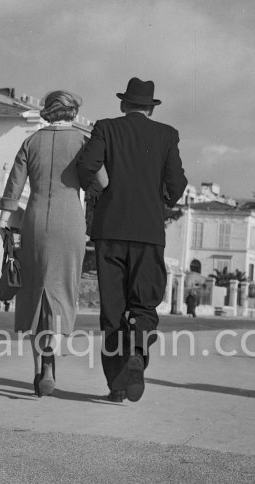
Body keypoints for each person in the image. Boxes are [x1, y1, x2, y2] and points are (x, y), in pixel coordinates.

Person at [77, 77, 188, 403]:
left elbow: (88, 165)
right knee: (144, 303)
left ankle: (116, 384)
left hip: (109, 231)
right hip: (149, 234)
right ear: (150, 109)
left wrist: (101, 188)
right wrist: (160, 201)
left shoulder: (105, 128)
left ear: (124, 104)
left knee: (112, 311)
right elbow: (177, 184)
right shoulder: (167, 135)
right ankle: (138, 350)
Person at [0, 90, 92, 398]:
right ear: (73, 112)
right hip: (71, 223)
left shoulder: (32, 142)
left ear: (47, 111)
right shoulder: (83, 142)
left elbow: (15, 182)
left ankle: (40, 367)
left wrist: (5, 216)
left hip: (35, 221)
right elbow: (100, 182)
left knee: (34, 292)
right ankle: (53, 351)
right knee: (62, 292)